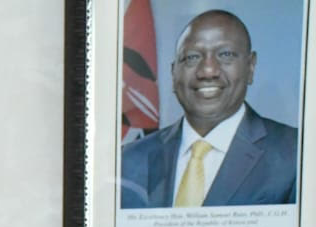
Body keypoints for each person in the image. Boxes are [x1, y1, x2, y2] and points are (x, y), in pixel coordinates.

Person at [120, 9, 298, 208]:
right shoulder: (127, 160)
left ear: (250, 67)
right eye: (192, 57)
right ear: (173, 73)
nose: (208, 70)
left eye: (226, 54)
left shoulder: (296, 154)